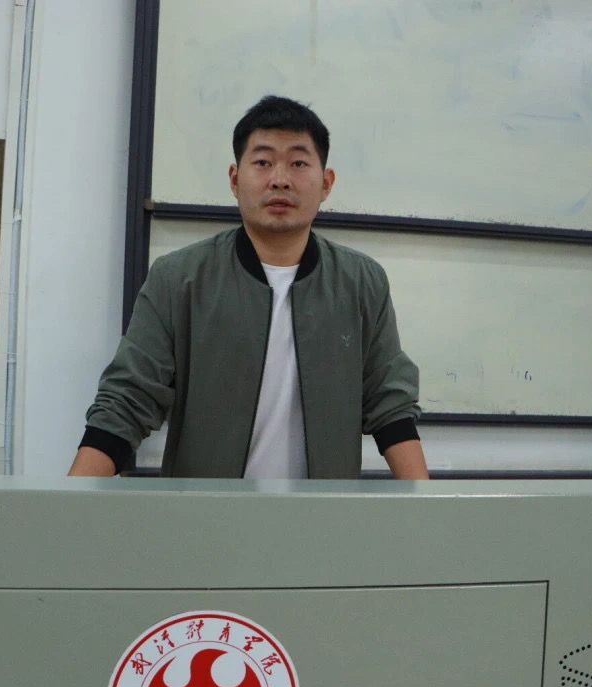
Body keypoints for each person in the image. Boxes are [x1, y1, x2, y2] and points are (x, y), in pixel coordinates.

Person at [69, 96, 428, 480]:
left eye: (298, 163)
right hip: (207, 512)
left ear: (326, 183)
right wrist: (72, 499)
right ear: (234, 179)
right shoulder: (178, 279)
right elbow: (127, 400)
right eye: (262, 162)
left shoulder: (362, 282)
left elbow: (390, 405)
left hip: (322, 512)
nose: (280, 179)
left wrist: (426, 502)